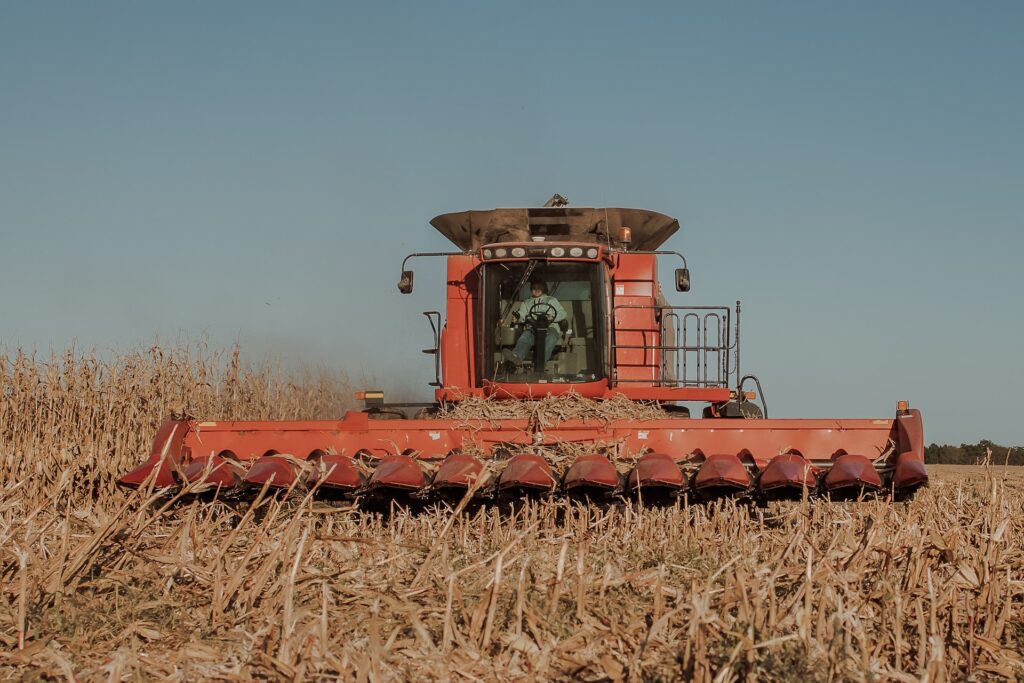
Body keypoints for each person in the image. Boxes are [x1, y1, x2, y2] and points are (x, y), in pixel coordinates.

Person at [509, 281, 568, 365]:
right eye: (534, 288)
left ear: (543, 288)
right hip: (533, 328)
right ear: (530, 290)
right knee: (525, 337)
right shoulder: (526, 302)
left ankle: (541, 362)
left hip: (550, 327)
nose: (536, 290)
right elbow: (521, 314)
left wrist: (552, 317)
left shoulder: (551, 300)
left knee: (551, 337)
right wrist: (517, 318)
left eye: (539, 288)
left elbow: (563, 313)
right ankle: (515, 358)